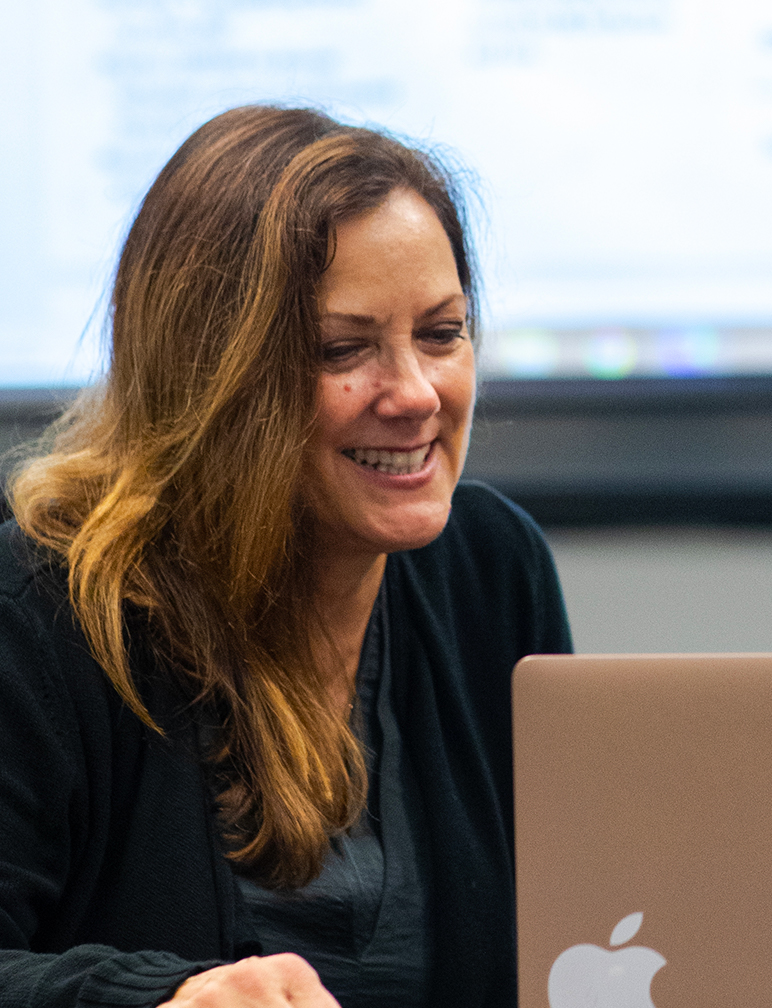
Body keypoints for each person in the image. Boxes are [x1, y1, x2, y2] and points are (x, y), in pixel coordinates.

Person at [0, 106, 571, 1008]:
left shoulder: (491, 571)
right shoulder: (42, 610)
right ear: (211, 376)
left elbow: (580, 938)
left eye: (441, 332)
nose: (417, 393)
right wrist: (167, 1002)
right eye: (344, 350)